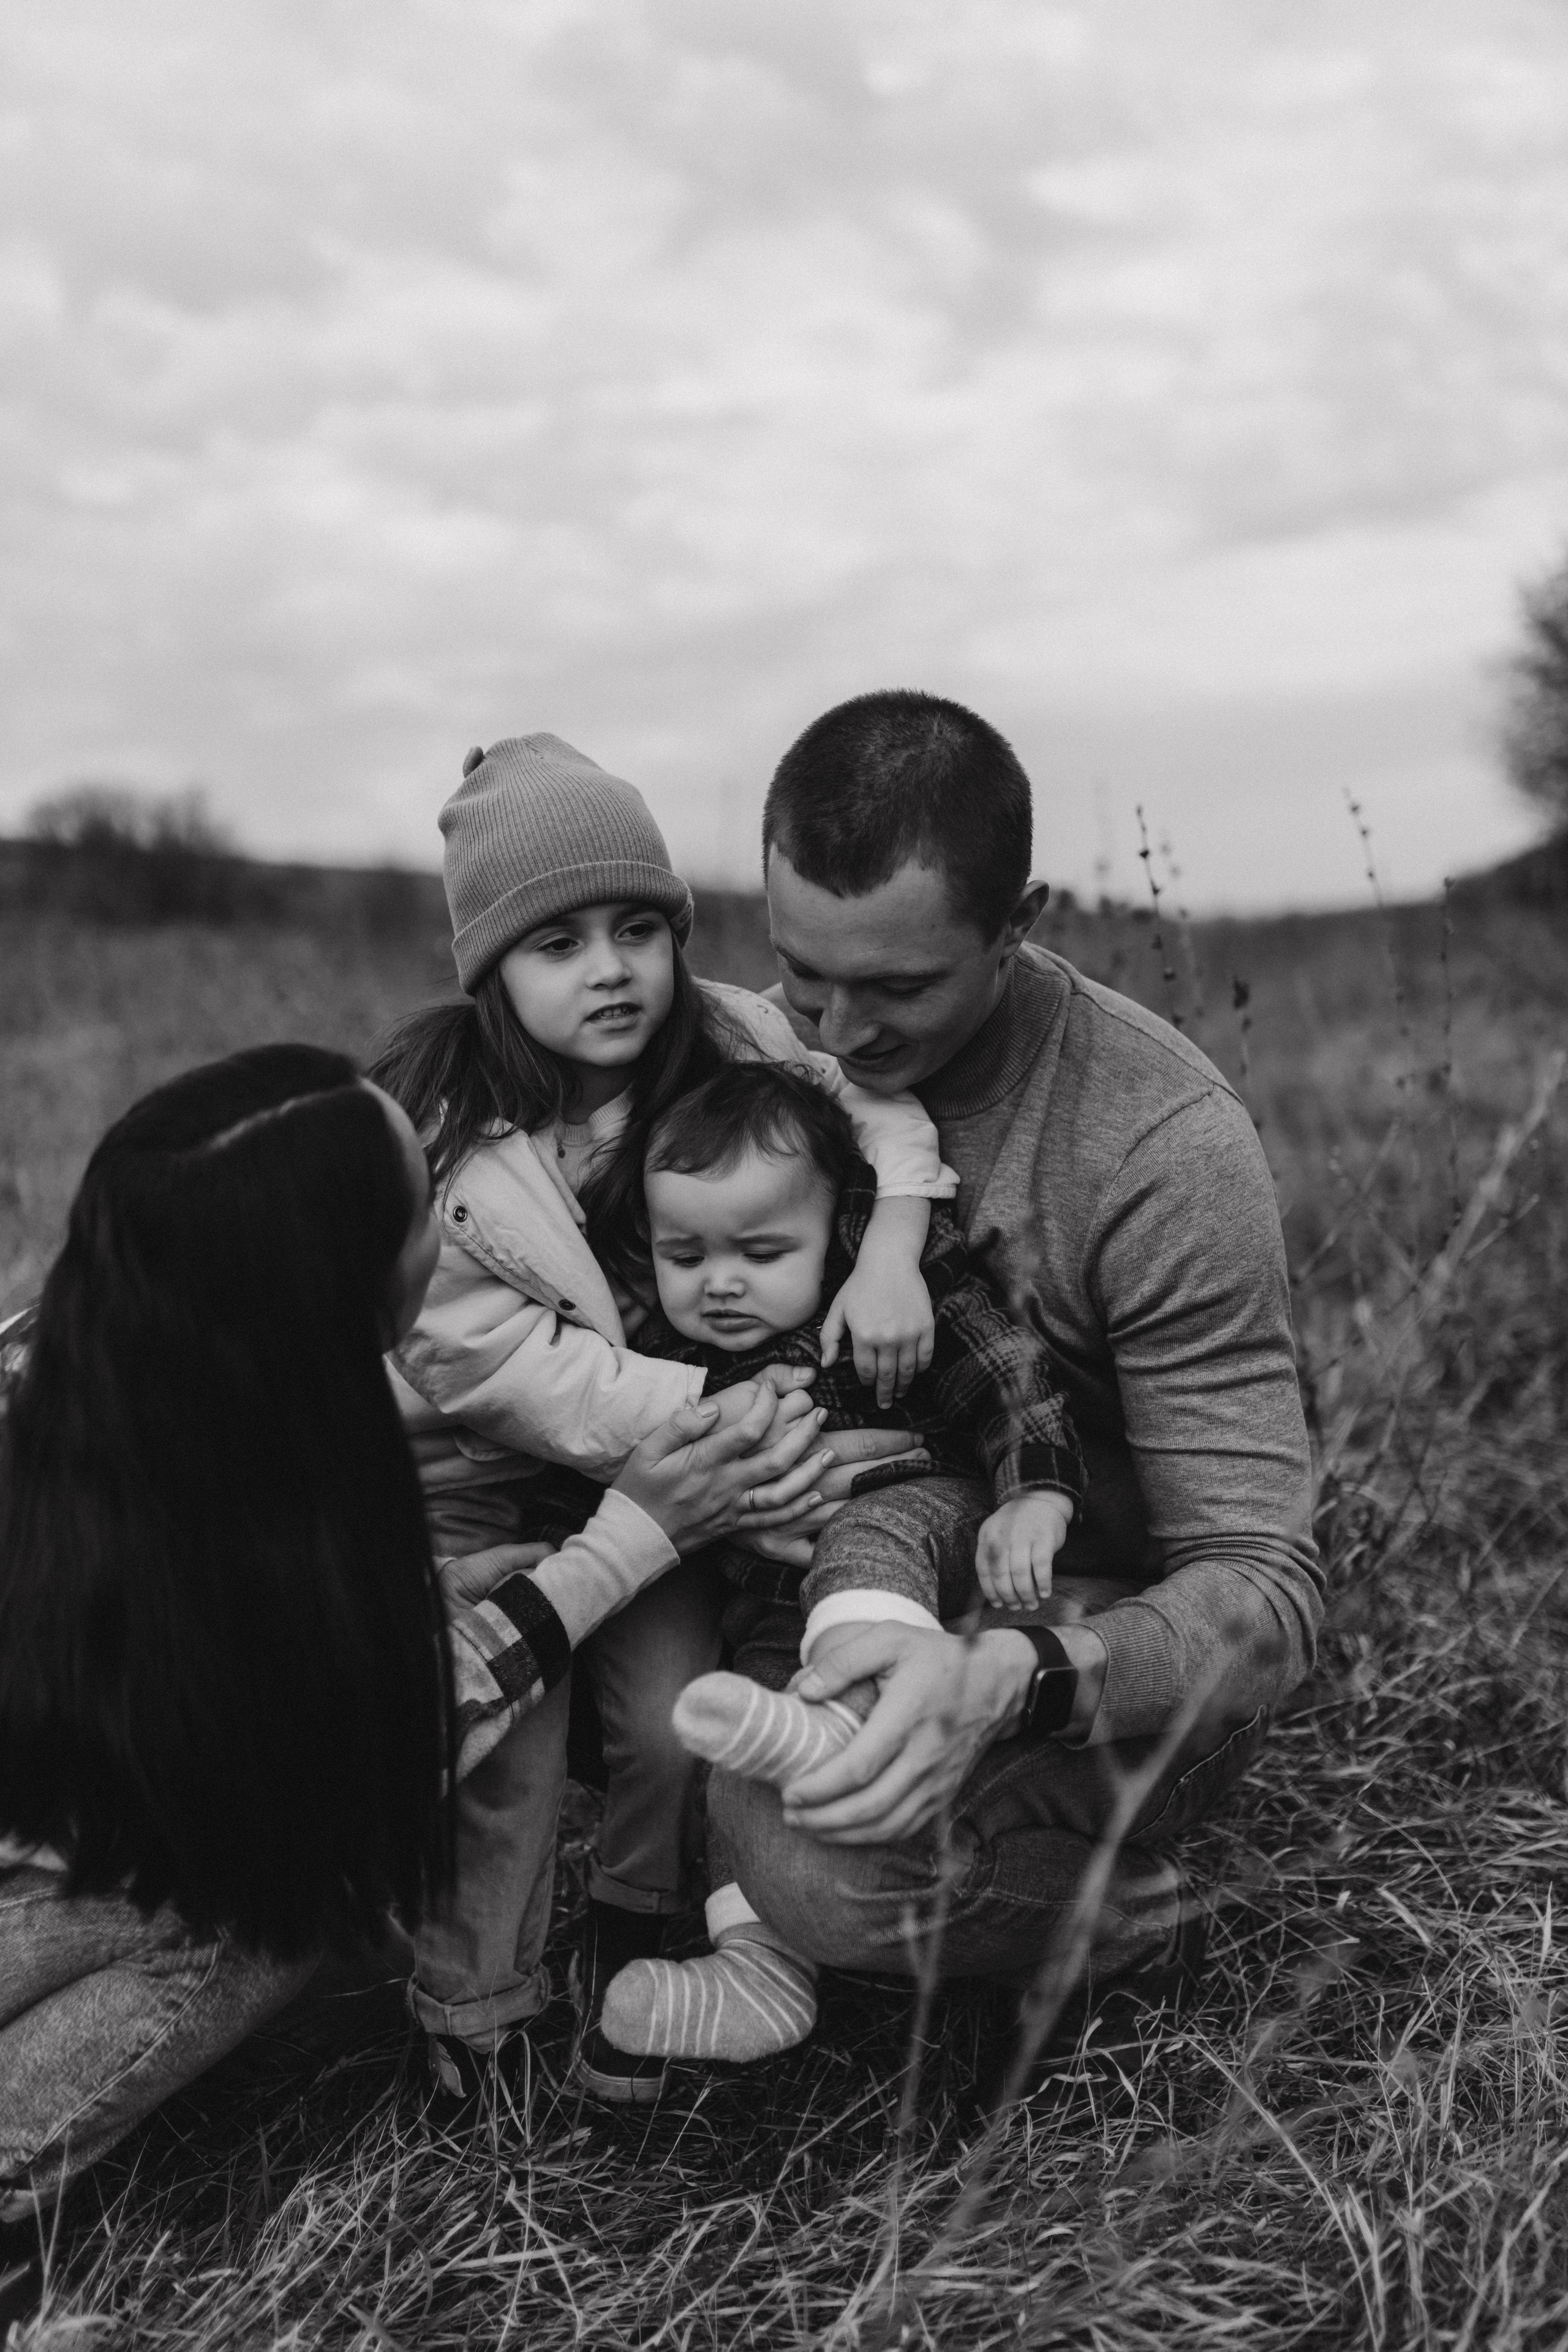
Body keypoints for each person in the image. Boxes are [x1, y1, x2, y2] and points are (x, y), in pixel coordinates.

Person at [0, 1044, 824, 2315]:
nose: (447, 1214)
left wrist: (428, 1595)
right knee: (265, 1906)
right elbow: (355, 1760)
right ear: (344, 1286)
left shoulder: (117, 1373)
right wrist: (622, 1547)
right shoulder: (217, 1489)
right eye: (418, 1203)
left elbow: (200, 1663)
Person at [612, 689, 1325, 2051]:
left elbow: (1264, 1595)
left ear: (1017, 924)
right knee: (660, 1709)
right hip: (803, 1592)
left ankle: (1131, 1911)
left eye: (898, 989)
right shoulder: (752, 1058)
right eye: (802, 974)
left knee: (803, 1852)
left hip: (1079, 1630)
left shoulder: (1162, 1143)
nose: (836, 1032)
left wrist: (1014, 1673)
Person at [370, 733, 949, 2105]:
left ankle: (649, 1936)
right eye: (558, 942)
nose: (611, 969)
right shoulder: (448, 1135)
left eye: (638, 929)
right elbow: (496, 1362)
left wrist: (889, 1252)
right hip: (500, 1481)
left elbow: (885, 1118)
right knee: (526, 1712)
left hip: (687, 1467)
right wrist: (736, 1421)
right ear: (492, 969)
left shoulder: (738, 1042)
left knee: (674, 1702)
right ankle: (476, 2015)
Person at [578, 1057, 1085, 2064]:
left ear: (836, 1227)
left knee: (867, 1533)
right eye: (685, 1255)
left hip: (931, 1526)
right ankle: (759, 1965)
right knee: (736, 1729)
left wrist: (1037, 1494)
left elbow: (1008, 1374)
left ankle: (853, 1703)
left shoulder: (884, 1300)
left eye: (763, 1250)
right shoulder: (666, 1364)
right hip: (789, 1609)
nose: (721, 1281)